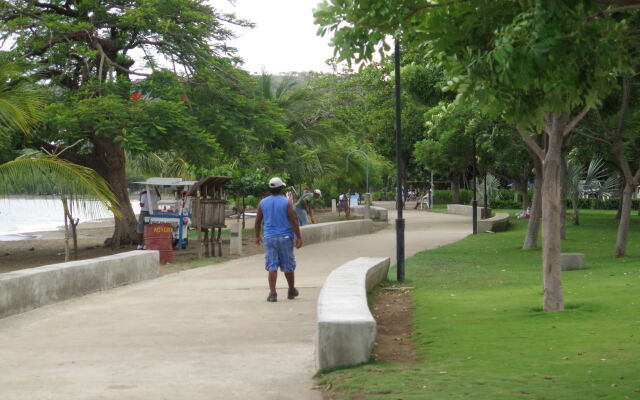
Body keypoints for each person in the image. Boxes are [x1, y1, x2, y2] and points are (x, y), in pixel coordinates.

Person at [255, 177, 303, 302]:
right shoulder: (287, 202)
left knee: (272, 265)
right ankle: (291, 290)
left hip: (269, 238)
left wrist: (257, 236)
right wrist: (299, 237)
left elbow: (258, 221)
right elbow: (293, 220)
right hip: (285, 237)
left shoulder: (263, 202)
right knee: (288, 266)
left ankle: (272, 293)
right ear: (281, 188)